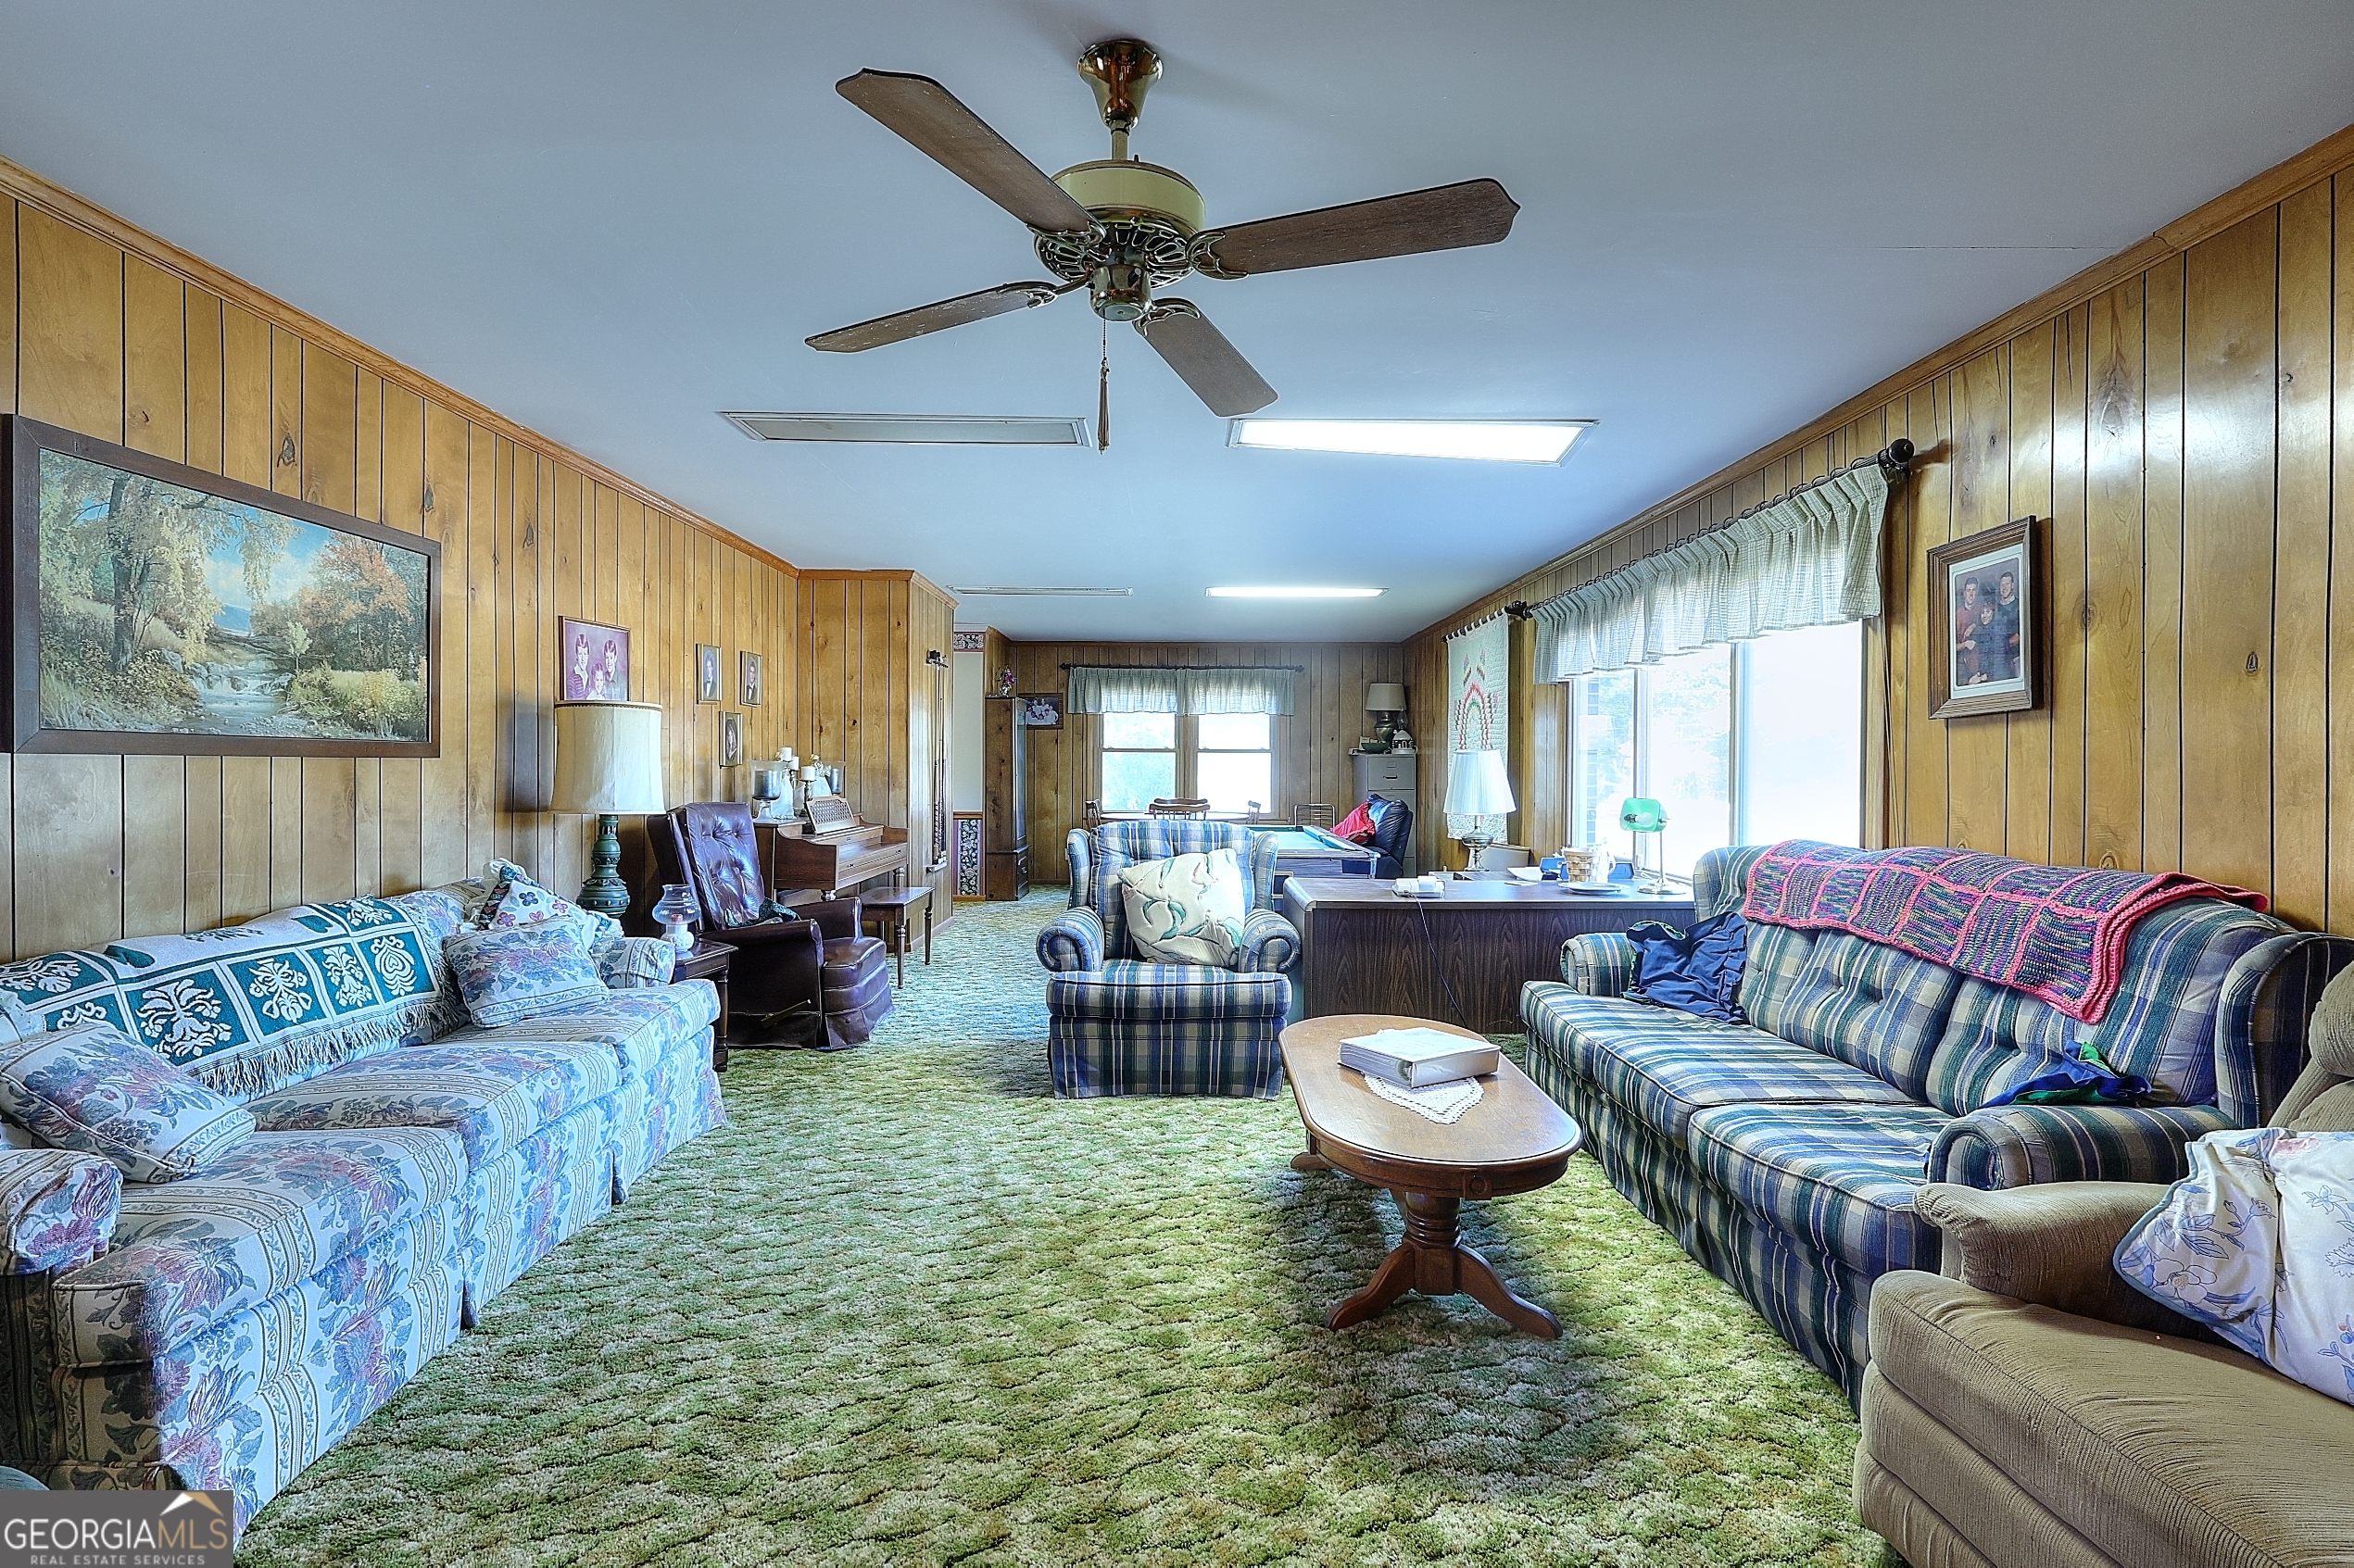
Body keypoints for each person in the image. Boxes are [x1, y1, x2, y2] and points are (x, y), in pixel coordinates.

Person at [1992, 568, 2022, 679]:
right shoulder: (1994, 608)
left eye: (2007, 584)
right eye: (2002, 585)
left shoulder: (2020, 605)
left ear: (2013, 585)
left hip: (2015, 658)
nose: (2004, 587)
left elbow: (2019, 637)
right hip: (1998, 660)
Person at [1954, 576, 1984, 684]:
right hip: (1962, 663)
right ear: (1964, 593)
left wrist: (1974, 625)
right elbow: (1950, 647)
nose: (1971, 594)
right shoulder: (1957, 615)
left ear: (1977, 592)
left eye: (1974, 590)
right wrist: (1965, 644)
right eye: (1968, 590)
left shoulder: (1983, 610)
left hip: (1980, 663)